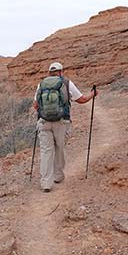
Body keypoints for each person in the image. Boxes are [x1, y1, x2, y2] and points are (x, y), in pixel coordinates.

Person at [32, 62, 98, 192]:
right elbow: (82, 100)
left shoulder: (42, 84)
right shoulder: (67, 83)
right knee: (60, 148)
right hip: (62, 122)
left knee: (46, 151)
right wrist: (93, 94)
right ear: (61, 71)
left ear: (49, 72)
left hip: (44, 122)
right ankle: (58, 176)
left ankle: (46, 183)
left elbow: (35, 105)